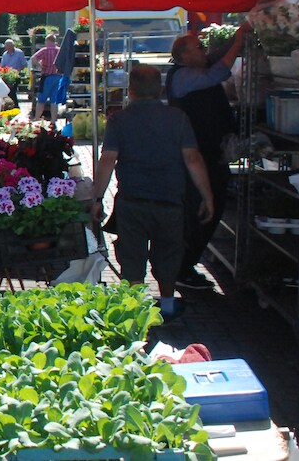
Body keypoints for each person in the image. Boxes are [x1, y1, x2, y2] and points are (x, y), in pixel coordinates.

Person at [91, 65, 214, 323]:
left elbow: (108, 160)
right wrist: (207, 196)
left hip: (132, 201)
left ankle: (135, 313)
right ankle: (167, 306)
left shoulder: (119, 120)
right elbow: (192, 158)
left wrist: (97, 197)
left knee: (132, 256)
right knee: (169, 255)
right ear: (160, 90)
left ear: (130, 91)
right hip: (170, 201)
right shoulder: (178, 118)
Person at [166, 24, 248, 291]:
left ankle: (184, 266)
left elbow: (215, 60)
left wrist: (240, 36)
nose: (204, 51)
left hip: (209, 155)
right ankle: (183, 268)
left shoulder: (194, 68)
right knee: (202, 211)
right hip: (197, 157)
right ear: (184, 55)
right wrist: (237, 41)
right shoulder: (183, 76)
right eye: (199, 47)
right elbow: (218, 72)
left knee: (209, 209)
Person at [31, 33, 63, 123]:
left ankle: (37, 119)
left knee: (41, 100)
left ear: (47, 41)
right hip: (58, 77)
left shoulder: (45, 50)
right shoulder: (59, 50)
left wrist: (40, 65)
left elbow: (34, 58)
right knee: (54, 101)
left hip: (47, 77)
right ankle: (53, 121)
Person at [0, 39, 28, 106]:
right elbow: (2, 65)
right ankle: (11, 105)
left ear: (13, 46)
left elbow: (24, 64)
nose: (8, 48)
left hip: (16, 74)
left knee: (12, 90)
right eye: (6, 46)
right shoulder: (5, 55)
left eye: (9, 46)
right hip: (7, 75)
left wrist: (18, 70)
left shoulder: (19, 53)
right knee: (7, 91)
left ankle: (15, 105)